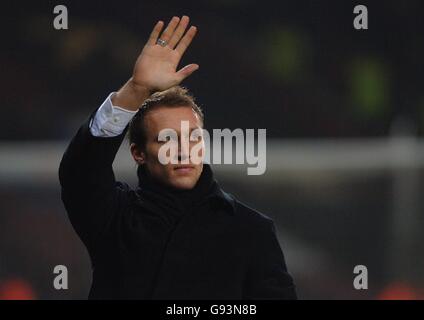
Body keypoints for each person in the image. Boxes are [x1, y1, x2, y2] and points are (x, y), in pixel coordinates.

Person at [59, 15, 296, 299]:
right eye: (168, 139)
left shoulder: (251, 229)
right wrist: (135, 90)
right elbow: (81, 173)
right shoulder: (116, 217)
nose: (184, 150)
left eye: (193, 137)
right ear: (138, 154)